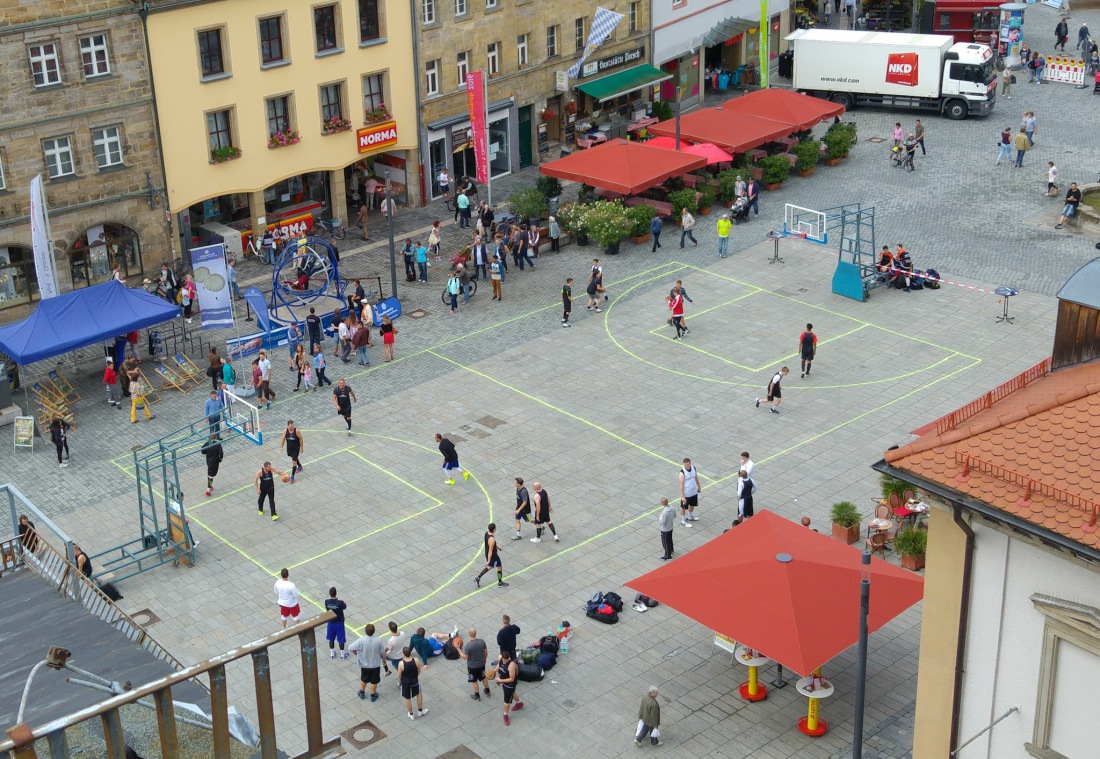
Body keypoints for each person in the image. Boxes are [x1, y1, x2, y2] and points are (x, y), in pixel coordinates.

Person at [350, 624, 386, 701]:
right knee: (374, 681)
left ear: (365, 631)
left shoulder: (361, 640)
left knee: (364, 678)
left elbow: (350, 647)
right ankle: (373, 695)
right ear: (374, 631)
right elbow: (382, 652)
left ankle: (362, 692)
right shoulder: (378, 640)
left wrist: (355, 652)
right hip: (375, 664)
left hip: (364, 664)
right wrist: (384, 659)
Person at [459, 627, 491, 701]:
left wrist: (458, 649)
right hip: (481, 664)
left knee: (474, 681)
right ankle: (487, 690)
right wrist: (485, 659)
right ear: (475, 633)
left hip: (472, 667)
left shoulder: (468, 646)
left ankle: (477, 695)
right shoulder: (482, 642)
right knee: (483, 677)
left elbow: (464, 657)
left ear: (469, 634)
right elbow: (486, 652)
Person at [398, 647, 429, 720]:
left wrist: (400, 681)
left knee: (407, 698)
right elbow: (419, 670)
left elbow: (399, 675)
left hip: (405, 683)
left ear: (403, 654)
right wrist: (416, 676)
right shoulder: (416, 660)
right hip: (414, 680)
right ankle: (420, 711)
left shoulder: (401, 663)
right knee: (419, 694)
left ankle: (411, 714)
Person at [475, 522, 509, 588]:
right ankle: (500, 582)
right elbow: (490, 551)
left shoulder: (486, 534)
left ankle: (478, 578)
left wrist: (497, 547)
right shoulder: (492, 539)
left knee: (490, 567)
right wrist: (488, 560)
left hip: (487, 552)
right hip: (493, 555)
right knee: (499, 567)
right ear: (493, 530)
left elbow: (488, 543)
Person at [494, 650, 523, 726]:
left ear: (509, 658)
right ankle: (519, 703)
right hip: (504, 682)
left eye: (505, 660)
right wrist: (493, 671)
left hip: (510, 684)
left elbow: (512, 679)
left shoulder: (511, 665)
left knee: (506, 701)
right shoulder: (500, 657)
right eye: (503, 659)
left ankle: (505, 715)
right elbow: (499, 665)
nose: (504, 661)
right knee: (512, 693)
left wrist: (500, 680)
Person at [324, 587, 348, 659]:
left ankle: (332, 654)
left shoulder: (326, 602)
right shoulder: (340, 603)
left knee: (331, 639)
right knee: (341, 639)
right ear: (336, 593)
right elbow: (344, 606)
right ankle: (342, 655)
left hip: (331, 622)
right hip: (339, 623)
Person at [679, 457, 701, 526]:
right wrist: (682, 496)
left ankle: (690, 516)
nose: (687, 465)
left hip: (693, 491)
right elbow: (681, 485)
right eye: (686, 464)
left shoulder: (693, 468)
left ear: (690, 463)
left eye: (688, 464)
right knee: (683, 507)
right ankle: (683, 520)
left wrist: (699, 487)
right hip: (686, 493)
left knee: (692, 504)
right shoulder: (682, 473)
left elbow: (696, 477)